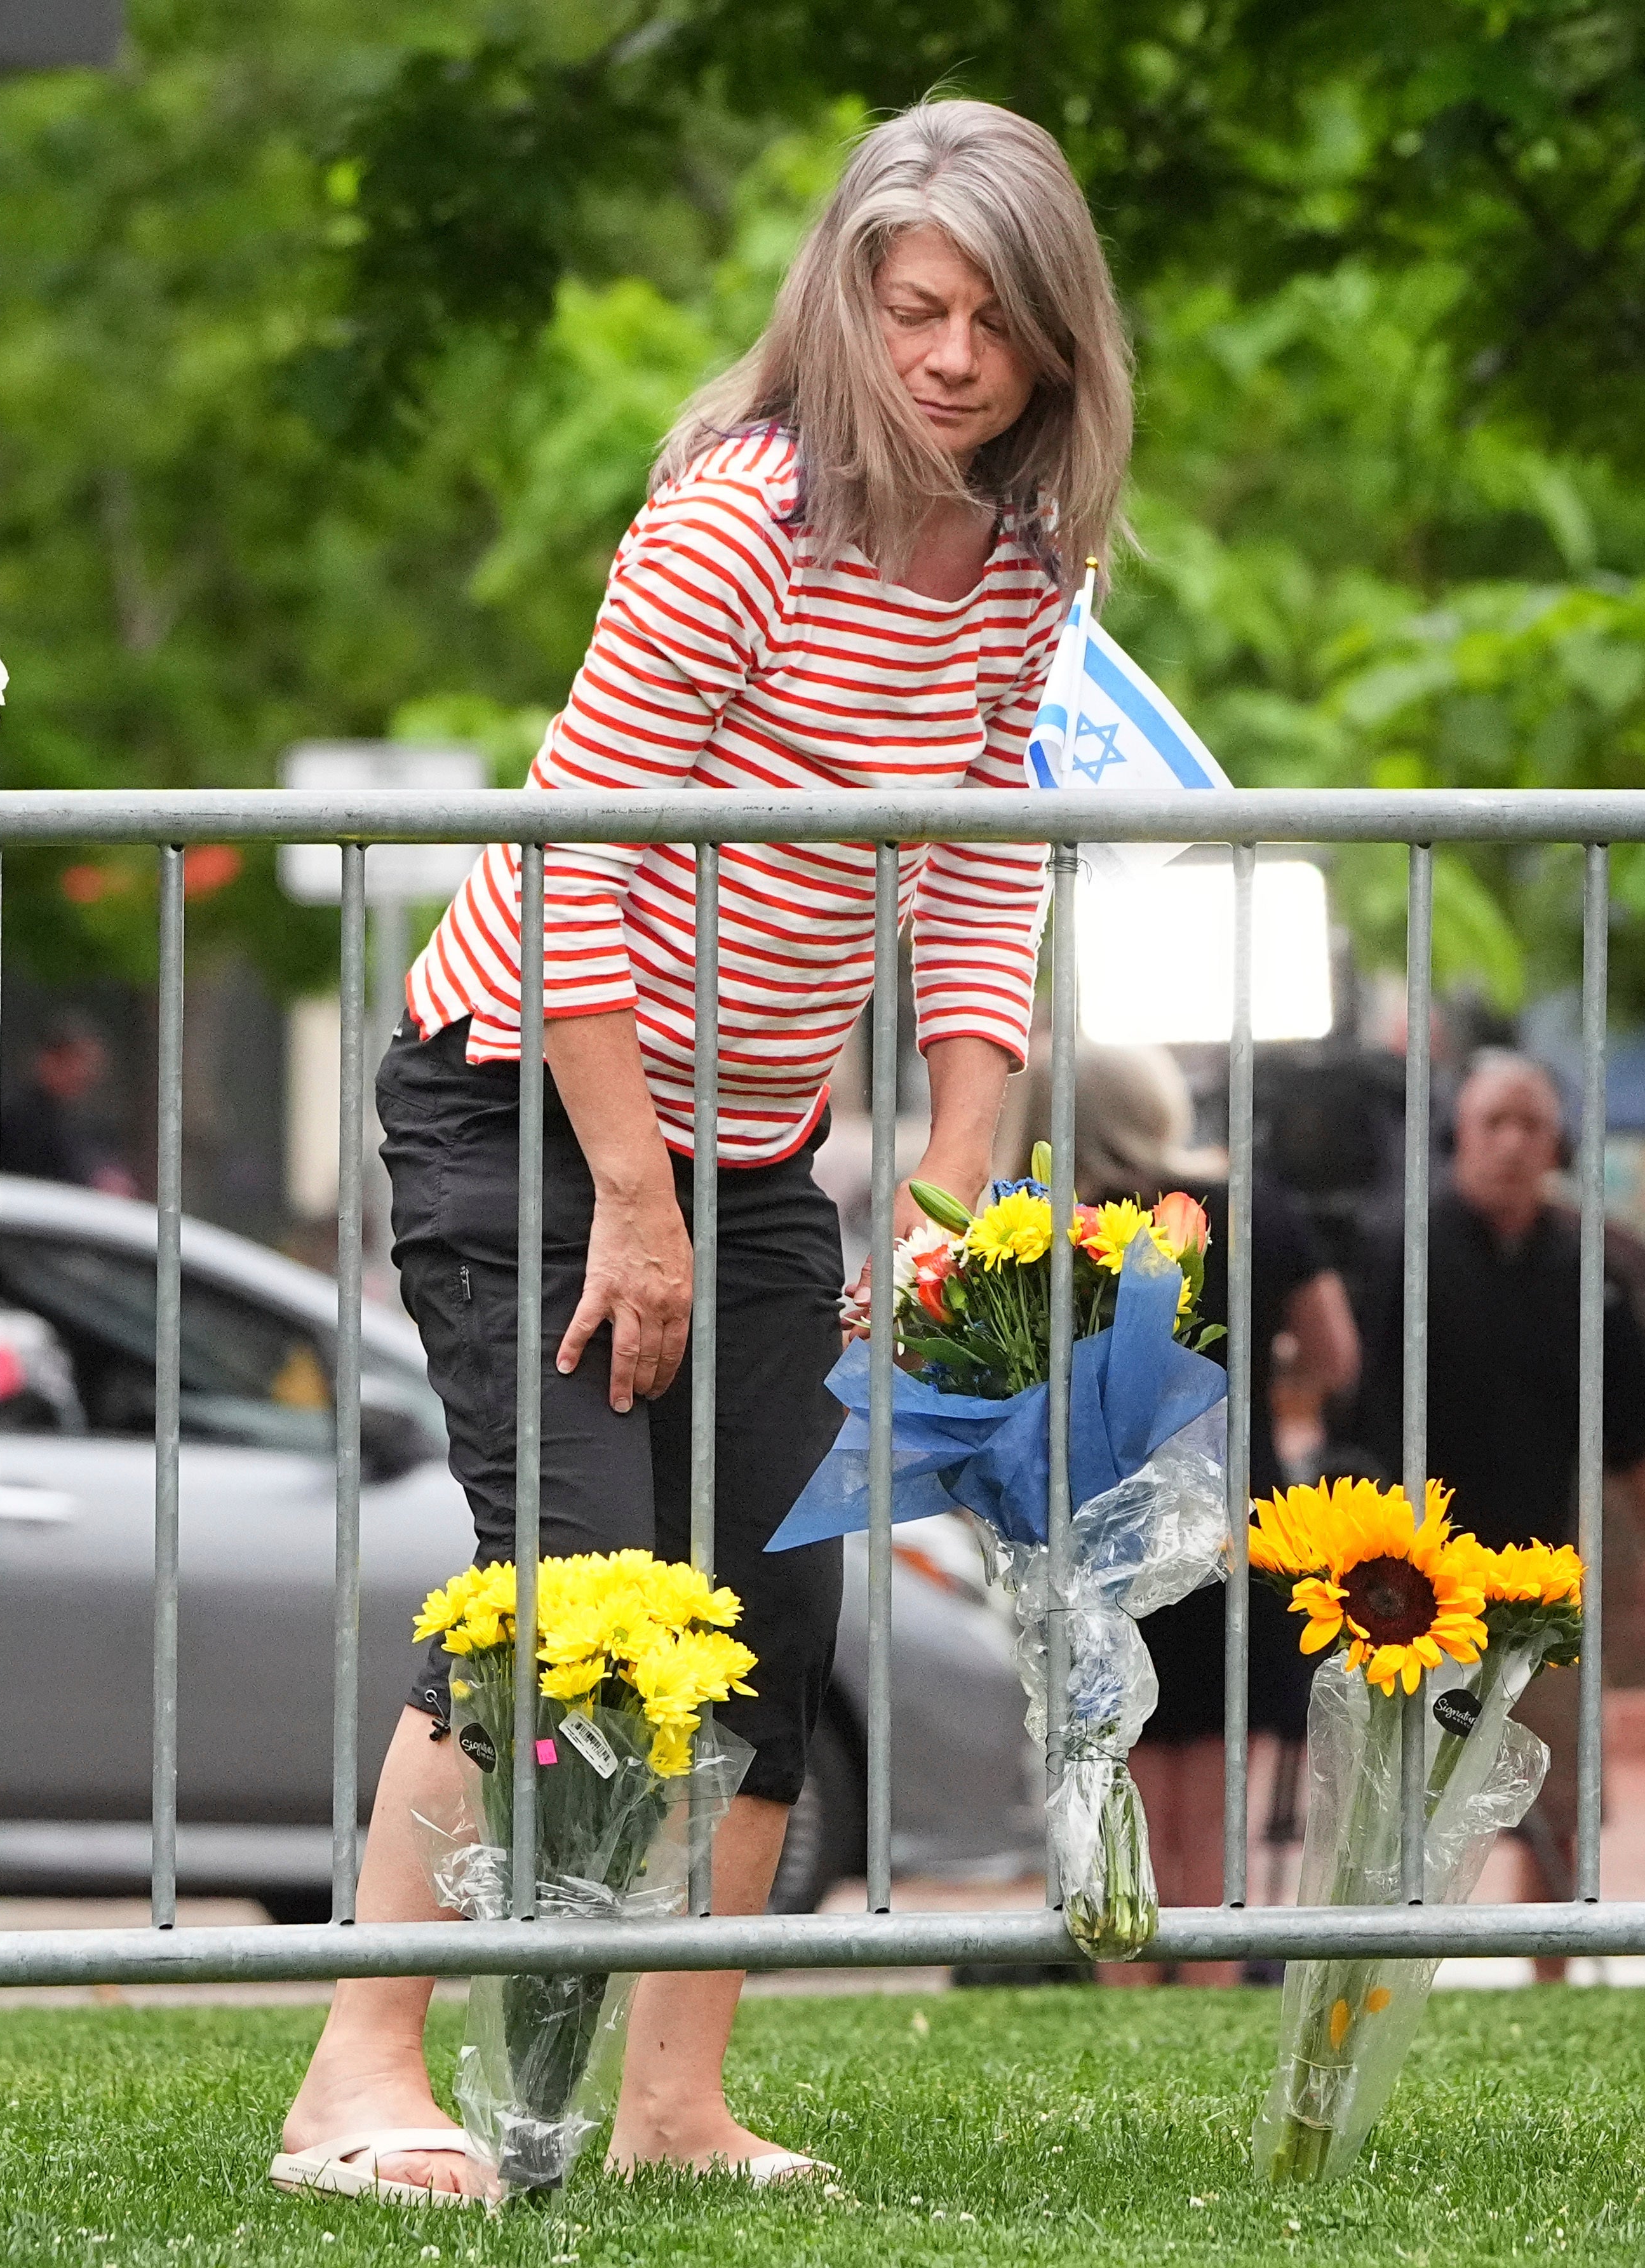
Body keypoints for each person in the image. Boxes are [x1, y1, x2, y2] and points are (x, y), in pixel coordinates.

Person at [272, 97, 1134, 2207]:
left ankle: (672, 2100)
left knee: (769, 1594)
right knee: (569, 1583)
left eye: (991, 322)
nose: (943, 355)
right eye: (906, 304)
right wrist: (630, 1208)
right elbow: (581, 857)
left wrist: (949, 1203)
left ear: (1051, 349)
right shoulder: (738, 515)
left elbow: (979, 874)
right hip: (521, 1091)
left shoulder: (1024, 566)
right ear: (838, 302)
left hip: (754, 1141)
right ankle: (354, 2075)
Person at [1011, 1046, 1359, 1986]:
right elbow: (1337, 1353)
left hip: (1090, 1527)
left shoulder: (1041, 1228)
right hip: (1222, 1522)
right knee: (1213, 1805)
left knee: (1113, 1780)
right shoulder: (1251, 1208)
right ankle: (1205, 1993)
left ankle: (1126, 1993)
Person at [1334, 1047, 1645, 1916]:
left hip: (1542, 1571)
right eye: (1495, 1120)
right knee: (1403, 1788)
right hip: (1410, 1575)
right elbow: (1346, 1403)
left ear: (1556, 1142)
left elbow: (1639, 1426)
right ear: (1461, 1132)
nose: (1512, 1142)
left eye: (1531, 1123)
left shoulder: (1588, 1267)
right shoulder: (1398, 1246)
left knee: (1557, 1788)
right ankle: (1395, 1955)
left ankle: (1553, 1957)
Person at [0, 1014, 136, 1194]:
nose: (85, 1076)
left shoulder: (73, 1120)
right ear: (50, 1060)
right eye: (76, 1064)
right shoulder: (22, 1121)